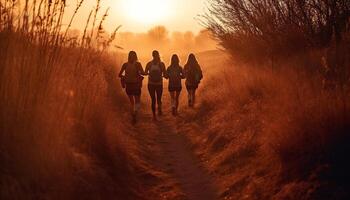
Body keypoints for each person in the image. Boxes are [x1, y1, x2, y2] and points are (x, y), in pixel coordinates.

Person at [119, 51, 145, 123]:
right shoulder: (138, 64)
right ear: (136, 56)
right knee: (137, 102)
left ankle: (132, 114)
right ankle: (135, 114)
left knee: (131, 102)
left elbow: (119, 75)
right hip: (136, 85)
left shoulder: (125, 65)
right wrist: (145, 73)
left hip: (128, 85)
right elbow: (143, 73)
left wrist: (125, 77)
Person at [145, 50, 166, 120]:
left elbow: (145, 73)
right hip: (159, 84)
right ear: (158, 55)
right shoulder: (161, 64)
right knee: (159, 99)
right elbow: (165, 74)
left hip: (151, 84)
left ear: (152, 55)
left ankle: (154, 116)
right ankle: (159, 110)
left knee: (153, 99)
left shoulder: (149, 64)